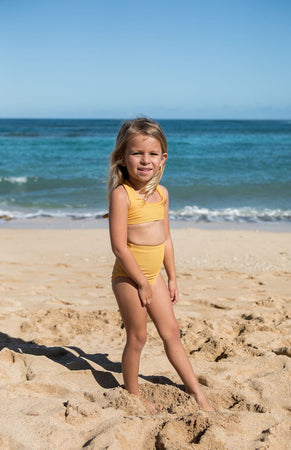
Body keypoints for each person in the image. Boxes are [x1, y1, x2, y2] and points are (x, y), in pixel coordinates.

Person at [107, 117, 214, 413]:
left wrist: (172, 277)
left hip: (153, 276)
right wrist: (141, 281)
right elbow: (118, 246)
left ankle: (196, 392)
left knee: (172, 332)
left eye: (152, 154)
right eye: (137, 153)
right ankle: (133, 394)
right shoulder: (122, 195)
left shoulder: (162, 193)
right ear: (122, 157)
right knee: (138, 336)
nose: (145, 160)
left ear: (163, 158)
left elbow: (165, 238)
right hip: (129, 278)